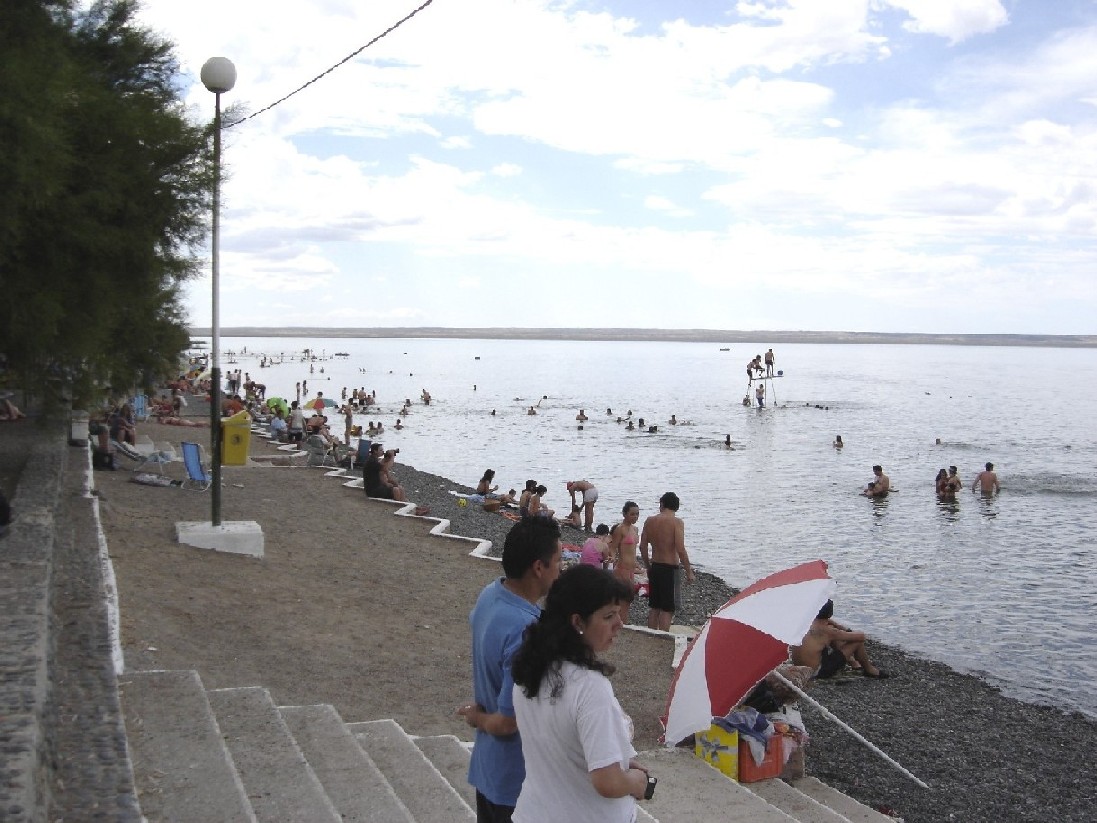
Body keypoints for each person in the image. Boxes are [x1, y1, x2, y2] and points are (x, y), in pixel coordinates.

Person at [510, 565, 652, 823]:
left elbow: (560, 746)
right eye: (609, 616)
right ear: (577, 621)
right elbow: (607, 782)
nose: (620, 625)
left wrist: (616, 761)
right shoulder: (590, 687)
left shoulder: (531, 670)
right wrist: (635, 782)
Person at [458, 517, 563, 823]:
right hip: (515, 781)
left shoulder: (491, 593)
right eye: (558, 561)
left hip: (488, 769)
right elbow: (508, 722)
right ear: (539, 568)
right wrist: (476, 717)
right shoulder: (525, 628)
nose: (561, 569)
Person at [791, 599, 887, 679]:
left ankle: (854, 663)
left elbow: (824, 623)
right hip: (816, 673)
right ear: (830, 613)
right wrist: (843, 630)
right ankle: (870, 670)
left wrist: (836, 626)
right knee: (857, 642)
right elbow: (861, 636)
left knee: (833, 638)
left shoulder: (805, 622)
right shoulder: (827, 631)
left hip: (799, 668)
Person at [639, 492, 693, 631]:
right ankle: (663, 638)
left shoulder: (650, 520)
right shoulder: (677, 522)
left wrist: (647, 566)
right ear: (676, 507)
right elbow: (680, 549)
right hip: (670, 568)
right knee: (667, 608)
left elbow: (642, 546)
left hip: (655, 566)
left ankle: (650, 634)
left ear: (662, 504)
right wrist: (689, 571)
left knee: (654, 606)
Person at [608, 502, 640, 622]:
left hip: (631, 568)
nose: (635, 517)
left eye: (637, 514)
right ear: (624, 514)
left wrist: (637, 563)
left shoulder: (635, 529)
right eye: (632, 514)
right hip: (622, 568)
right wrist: (612, 557)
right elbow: (613, 547)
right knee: (622, 600)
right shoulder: (620, 529)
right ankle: (621, 624)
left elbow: (633, 550)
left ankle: (622, 623)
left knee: (628, 599)